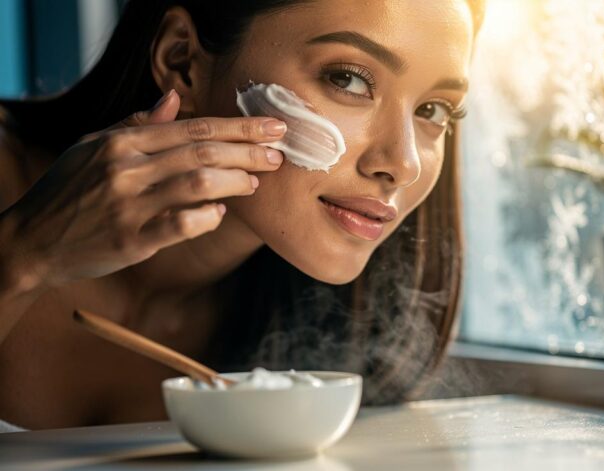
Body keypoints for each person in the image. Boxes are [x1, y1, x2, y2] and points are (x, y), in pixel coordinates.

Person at [0, 0, 484, 430]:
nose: (403, 165)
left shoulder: (345, 330)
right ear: (182, 61)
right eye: (348, 79)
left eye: (435, 110)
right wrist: (24, 253)